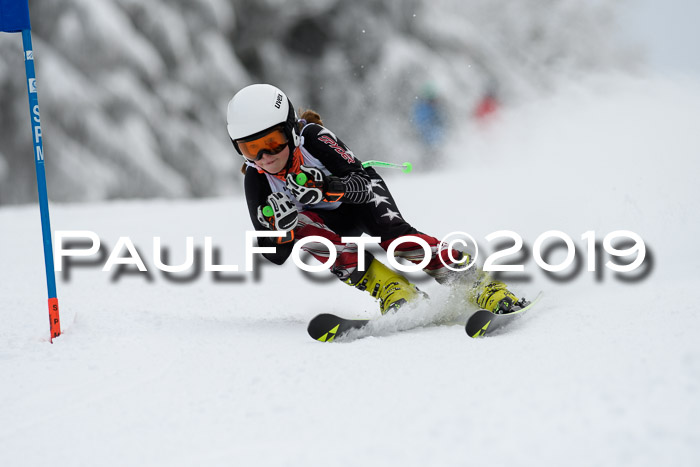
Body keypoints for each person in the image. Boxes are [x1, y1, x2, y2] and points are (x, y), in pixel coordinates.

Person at [226, 83, 524, 315]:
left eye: (273, 142)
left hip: (360, 202)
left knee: (395, 238)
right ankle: (394, 290)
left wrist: (328, 187)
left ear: (290, 130)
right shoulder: (256, 179)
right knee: (304, 230)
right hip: (330, 229)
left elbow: (364, 183)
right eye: (251, 149)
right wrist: (283, 230)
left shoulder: (313, 139)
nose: (265, 157)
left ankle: (478, 284)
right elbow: (273, 255)